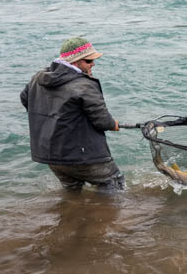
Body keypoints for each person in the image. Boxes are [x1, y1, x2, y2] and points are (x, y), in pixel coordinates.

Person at [21, 37, 124, 191]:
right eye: (89, 61)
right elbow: (102, 120)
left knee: (72, 190)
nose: (93, 64)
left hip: (50, 155)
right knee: (113, 182)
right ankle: (107, 215)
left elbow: (25, 99)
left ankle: (70, 214)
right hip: (82, 155)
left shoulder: (38, 78)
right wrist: (112, 124)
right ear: (75, 62)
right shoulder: (84, 85)